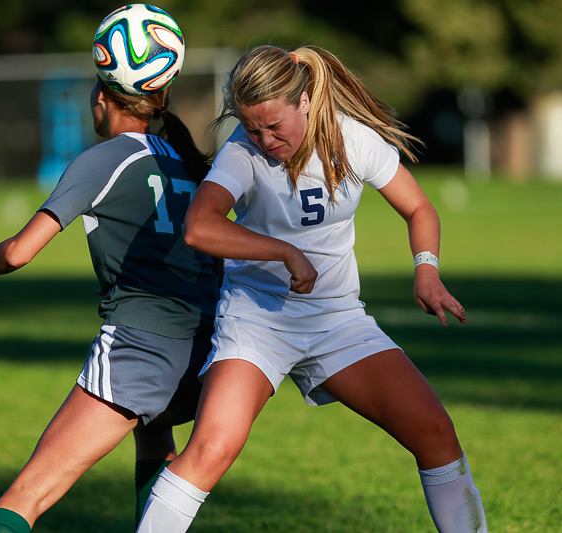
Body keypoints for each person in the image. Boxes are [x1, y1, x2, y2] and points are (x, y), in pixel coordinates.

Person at [137, 45, 488, 533]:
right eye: (253, 127)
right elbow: (199, 227)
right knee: (210, 451)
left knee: (436, 434)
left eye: (274, 125)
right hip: (255, 321)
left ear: (305, 100)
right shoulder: (243, 151)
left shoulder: (353, 139)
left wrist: (426, 268)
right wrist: (283, 251)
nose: (265, 139)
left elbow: (419, 209)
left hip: (338, 321)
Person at [0, 69, 220, 533]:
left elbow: (18, 252)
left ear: (105, 97)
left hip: (140, 352)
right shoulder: (185, 162)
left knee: (26, 496)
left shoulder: (104, 159)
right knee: (154, 434)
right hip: (204, 358)